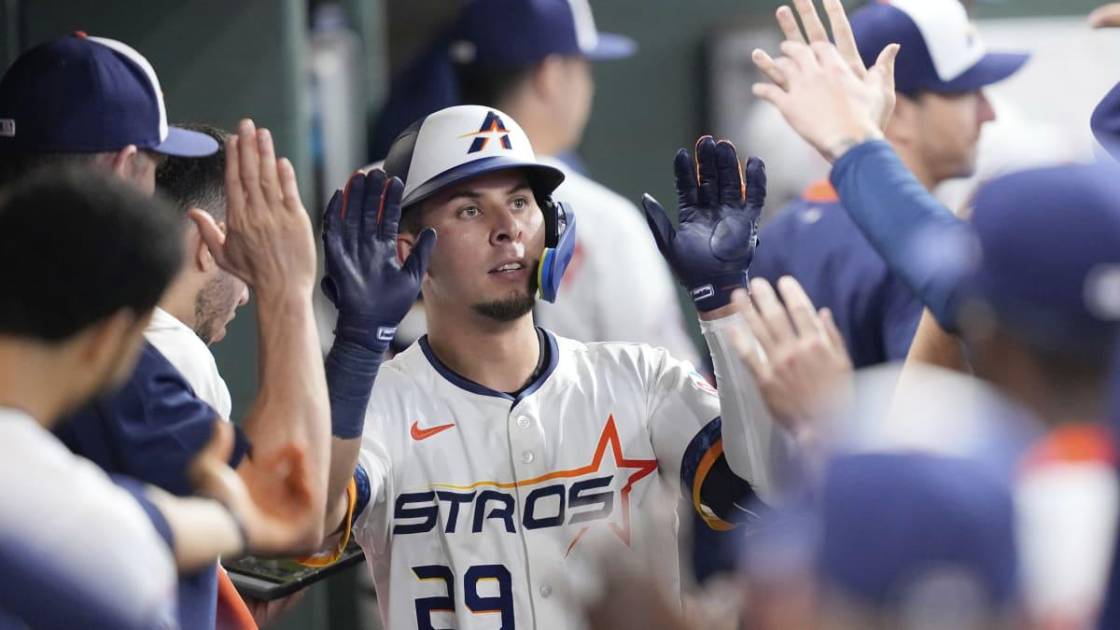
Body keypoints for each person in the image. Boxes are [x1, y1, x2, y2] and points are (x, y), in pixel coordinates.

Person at [312, 103, 782, 628]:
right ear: (408, 253)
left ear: (553, 224)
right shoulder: (375, 407)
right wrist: (357, 343)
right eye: (469, 210)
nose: (508, 228)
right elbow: (312, 521)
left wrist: (725, 306)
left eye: (519, 202)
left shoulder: (641, 379)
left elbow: (758, 493)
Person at [0, 169, 318, 629]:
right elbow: (135, 535)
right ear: (108, 338)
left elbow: (153, 523)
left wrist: (233, 519)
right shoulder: (32, 481)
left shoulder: (41, 472)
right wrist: (288, 291)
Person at [370, 0, 701, 366]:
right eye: (584, 70)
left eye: (519, 203)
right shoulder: (607, 221)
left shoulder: (368, 197)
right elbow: (677, 384)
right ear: (550, 74)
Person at [748, 0, 1028, 368]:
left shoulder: (777, 234)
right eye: (965, 92)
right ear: (898, 112)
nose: (988, 113)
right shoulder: (919, 255)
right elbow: (929, 402)